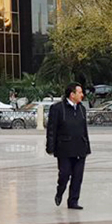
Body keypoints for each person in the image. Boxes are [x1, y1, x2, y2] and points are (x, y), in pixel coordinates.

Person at [46, 82, 91, 210]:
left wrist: (87, 146)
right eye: (80, 92)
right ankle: (60, 191)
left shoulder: (82, 109)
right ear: (72, 95)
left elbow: (84, 129)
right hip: (64, 148)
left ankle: (73, 201)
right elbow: (51, 129)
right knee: (64, 174)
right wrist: (50, 146)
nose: (82, 95)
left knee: (78, 177)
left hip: (80, 148)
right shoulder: (58, 108)